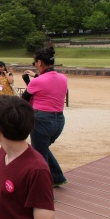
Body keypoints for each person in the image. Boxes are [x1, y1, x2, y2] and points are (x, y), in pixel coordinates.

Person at [22, 46, 69, 187]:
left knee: (39, 155)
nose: (35, 66)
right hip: (59, 121)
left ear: (40, 63)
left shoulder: (37, 81)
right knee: (43, 149)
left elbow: (24, 99)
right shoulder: (63, 78)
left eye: (34, 63)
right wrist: (36, 77)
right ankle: (57, 177)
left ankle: (44, 187)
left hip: (41, 120)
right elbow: (50, 84)